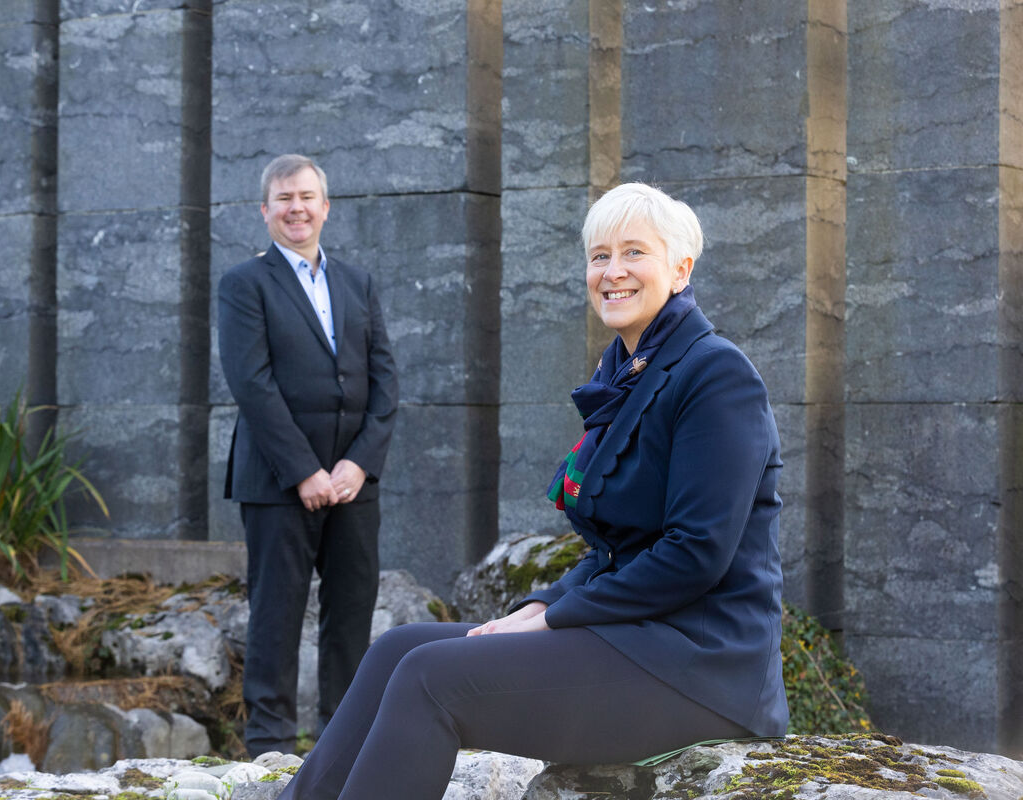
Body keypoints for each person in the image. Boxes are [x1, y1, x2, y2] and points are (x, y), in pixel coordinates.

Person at [278, 183, 788, 800]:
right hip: (637, 638)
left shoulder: (716, 374)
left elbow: (695, 554)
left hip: (703, 669)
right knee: (397, 648)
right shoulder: (626, 373)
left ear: (680, 270)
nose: (612, 271)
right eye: (599, 256)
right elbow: (614, 553)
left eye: (634, 252)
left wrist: (553, 618)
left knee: (430, 677)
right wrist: (538, 606)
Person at [217, 154, 399, 757]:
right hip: (277, 481)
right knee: (275, 614)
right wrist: (304, 471)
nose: (296, 208)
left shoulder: (358, 282)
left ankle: (342, 744)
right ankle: (268, 748)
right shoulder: (244, 284)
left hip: (353, 482)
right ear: (264, 210)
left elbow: (385, 381)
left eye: (306, 197)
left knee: (351, 613)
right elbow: (252, 385)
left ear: (325, 207)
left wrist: (358, 464)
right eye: (284, 198)